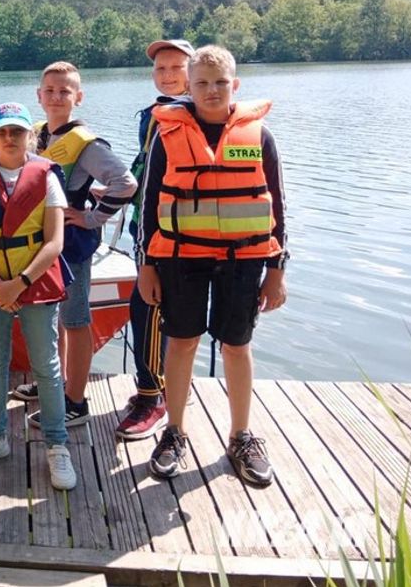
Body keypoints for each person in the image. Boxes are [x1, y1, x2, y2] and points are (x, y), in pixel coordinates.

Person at [138, 45, 288, 487]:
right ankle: (174, 432)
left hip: (244, 260)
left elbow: (278, 204)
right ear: (189, 84)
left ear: (234, 86)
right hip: (181, 259)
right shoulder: (166, 135)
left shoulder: (259, 136)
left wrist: (277, 268)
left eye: (220, 83)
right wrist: (146, 264)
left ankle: (241, 436)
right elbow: (149, 205)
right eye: (201, 82)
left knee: (237, 346)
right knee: (181, 343)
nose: (211, 90)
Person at [0, 102, 76, 492]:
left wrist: (19, 283)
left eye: (18, 131)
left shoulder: (46, 176)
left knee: (46, 364)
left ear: (30, 136)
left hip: (35, 283)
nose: (10, 138)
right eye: (2, 132)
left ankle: (57, 445)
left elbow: (55, 241)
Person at [17, 63, 136, 430]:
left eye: (64, 92)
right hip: (41, 245)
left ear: (78, 97)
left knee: (75, 320)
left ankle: (75, 402)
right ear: (38, 96)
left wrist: (90, 217)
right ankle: (54, 384)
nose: (56, 97)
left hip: (71, 247)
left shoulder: (87, 143)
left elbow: (125, 183)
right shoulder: (37, 134)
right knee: (51, 319)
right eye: (49, 90)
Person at [115, 39, 193, 441]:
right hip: (147, 229)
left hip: (174, 234)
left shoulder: (196, 115)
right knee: (147, 310)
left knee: (149, 310)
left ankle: (154, 396)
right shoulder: (154, 115)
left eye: (176, 68)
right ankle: (158, 387)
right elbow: (144, 169)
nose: (166, 75)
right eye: (161, 69)